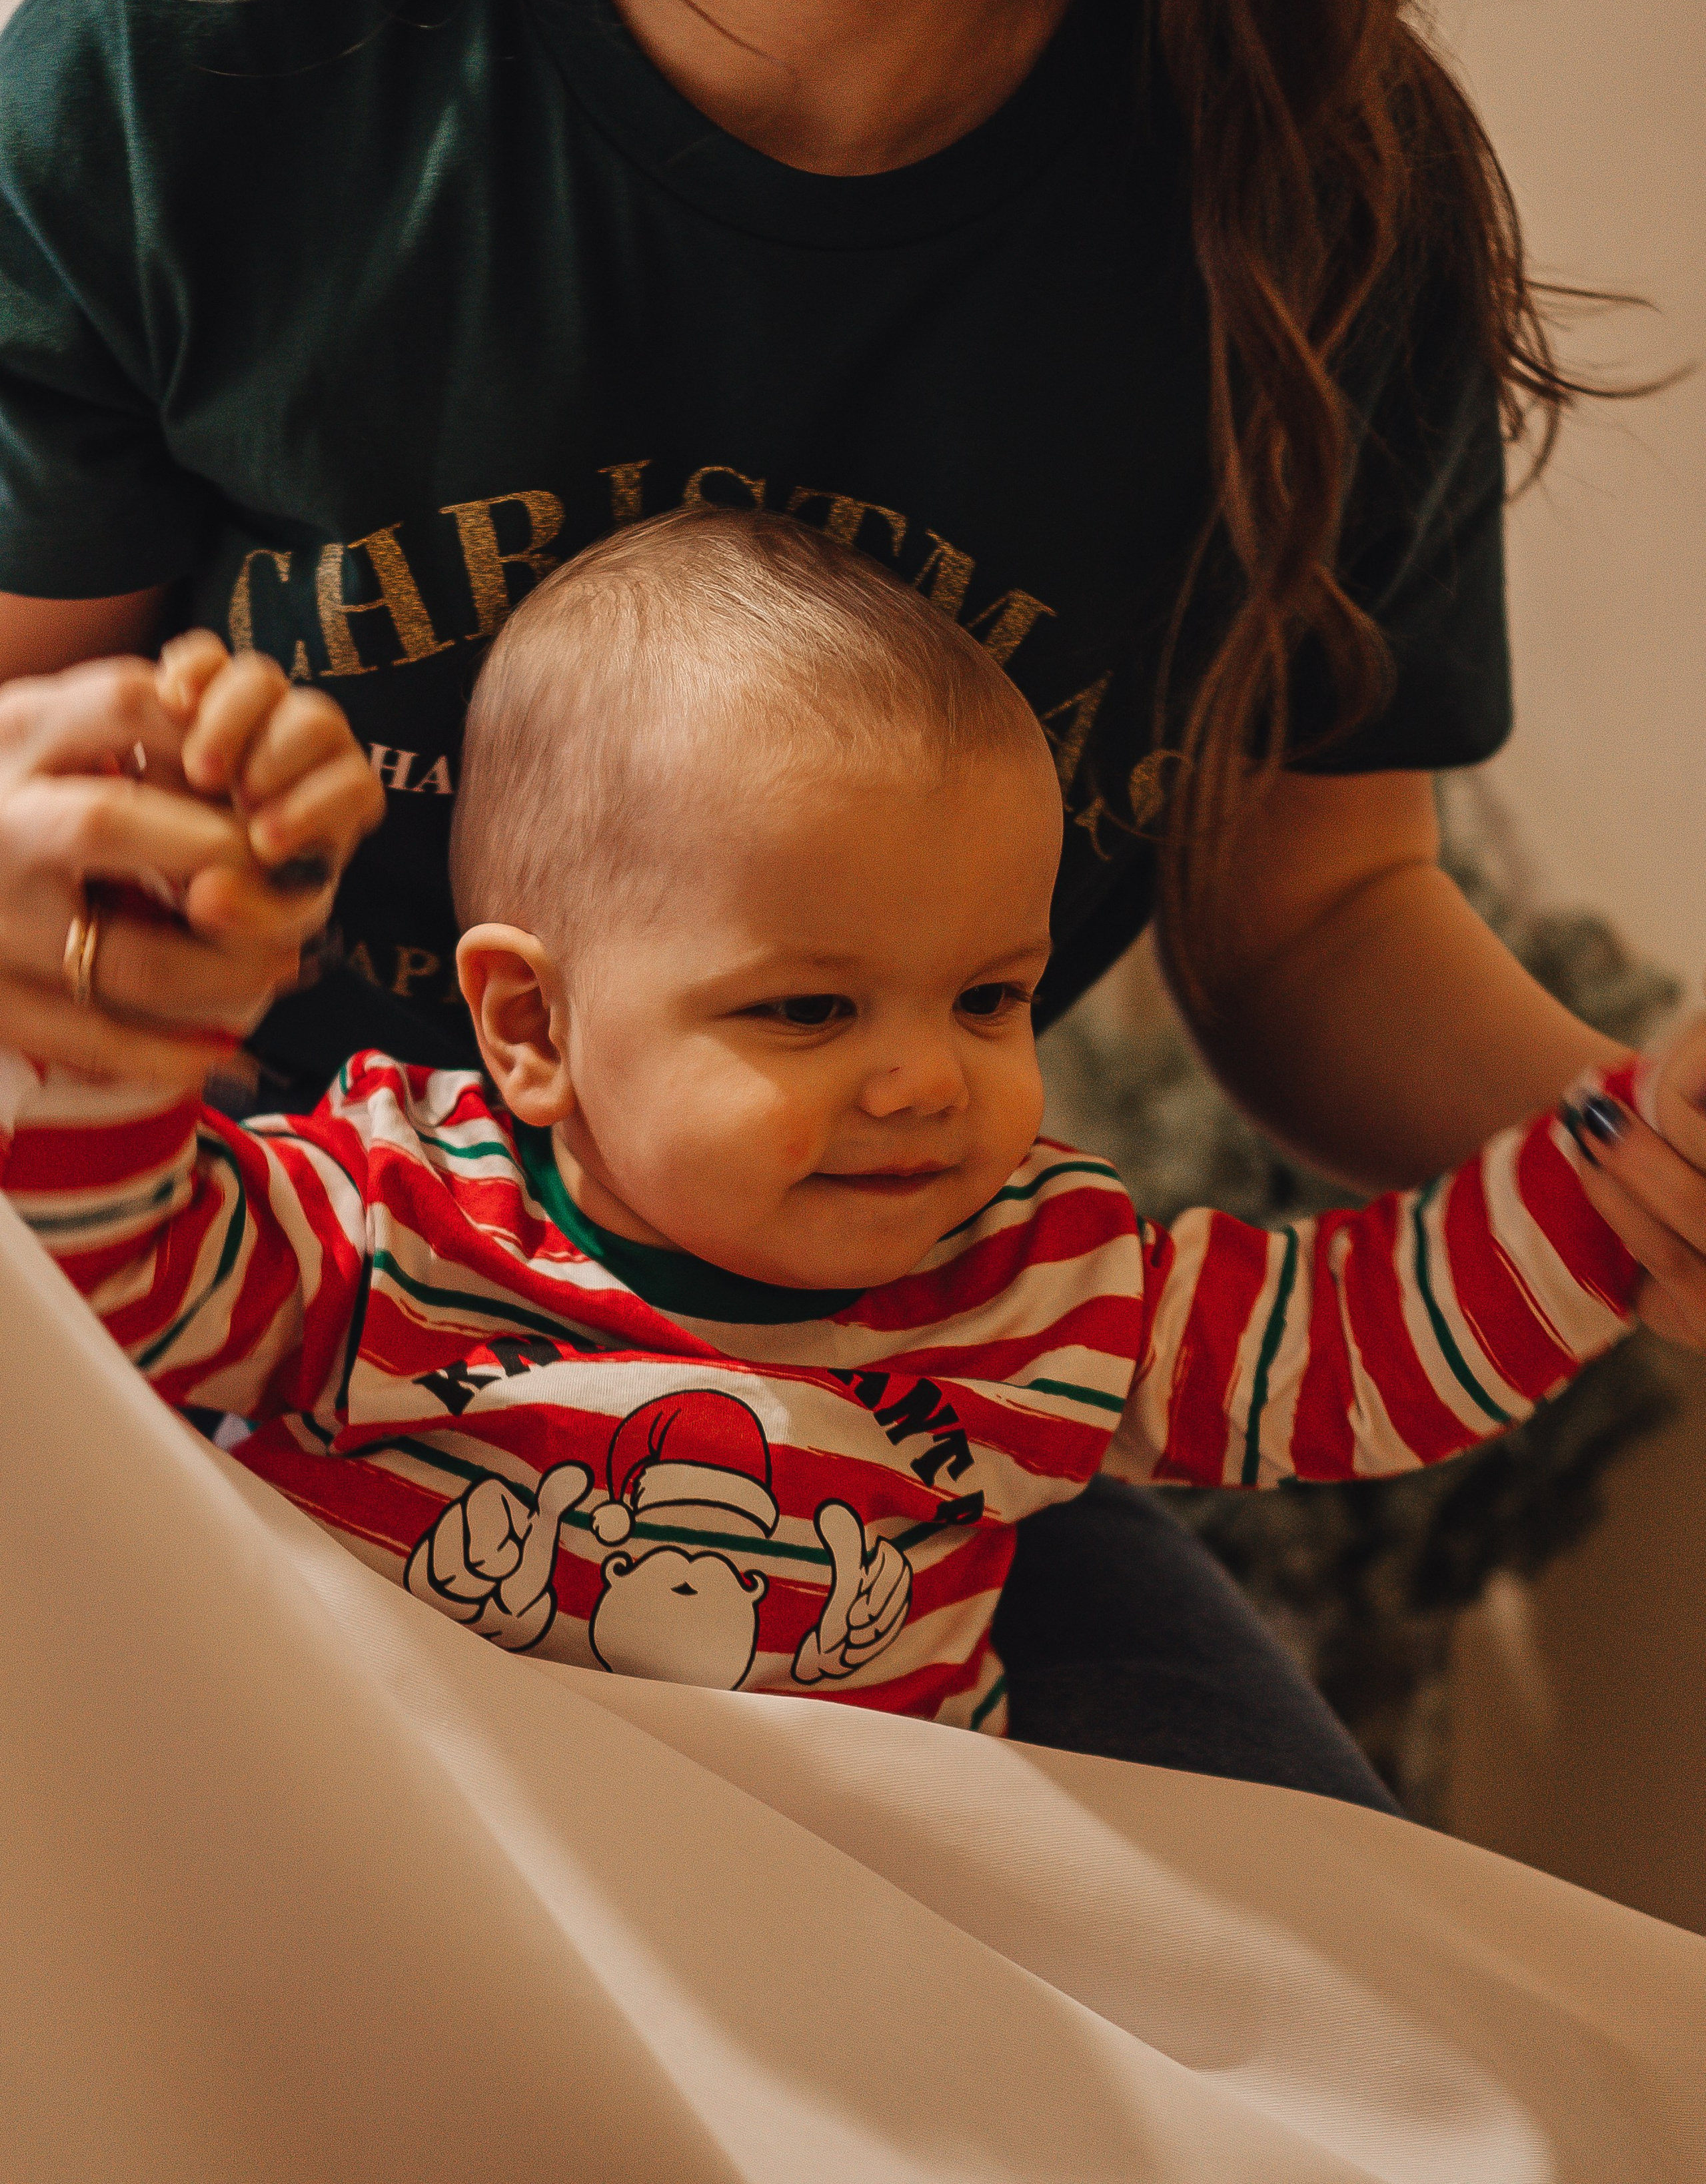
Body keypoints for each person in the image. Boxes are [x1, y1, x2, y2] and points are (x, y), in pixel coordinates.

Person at [1, 0, 1703, 1802]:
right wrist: (76, 928)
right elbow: (43, 893)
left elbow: (1315, 921)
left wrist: (1640, 1167)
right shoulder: (195, 72)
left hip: (882, 1406)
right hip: (219, 1307)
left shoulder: (1326, 191)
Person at [0, 511, 1677, 1740]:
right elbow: (118, 1273)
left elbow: (1349, 1355)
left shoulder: (1035, 1284)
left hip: (846, 1951)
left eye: (989, 998)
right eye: (807, 1010)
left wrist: (1619, 1173)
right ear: (530, 1027)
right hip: (429, 1894)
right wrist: (144, 1003)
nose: (926, 1081)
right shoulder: (387, 1214)